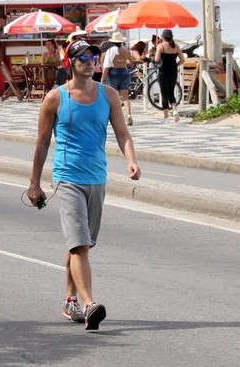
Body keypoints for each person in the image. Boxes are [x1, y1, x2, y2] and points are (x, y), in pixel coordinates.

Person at [27, 39, 141, 331]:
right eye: (83, 57)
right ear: (71, 63)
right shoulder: (55, 98)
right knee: (79, 245)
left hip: (97, 178)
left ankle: (69, 300)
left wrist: (131, 160)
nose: (90, 61)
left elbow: (122, 133)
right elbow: (41, 143)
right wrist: (35, 183)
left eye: (93, 56)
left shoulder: (109, 95)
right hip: (67, 179)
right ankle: (90, 304)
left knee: (80, 244)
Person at [101, 31, 134, 125]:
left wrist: (103, 79)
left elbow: (106, 65)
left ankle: (115, 118)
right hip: (124, 72)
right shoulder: (126, 50)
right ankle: (128, 115)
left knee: (112, 98)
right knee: (125, 98)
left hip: (113, 73)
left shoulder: (110, 51)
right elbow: (131, 62)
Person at [154, 29, 185, 123]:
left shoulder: (161, 46)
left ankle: (166, 118)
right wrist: (176, 65)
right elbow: (182, 60)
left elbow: (156, 59)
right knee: (171, 93)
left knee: (164, 94)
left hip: (163, 72)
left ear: (163, 37)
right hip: (173, 72)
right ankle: (175, 111)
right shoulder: (176, 47)